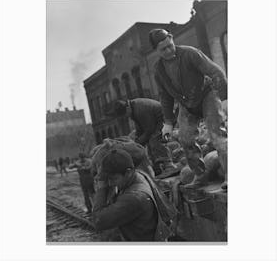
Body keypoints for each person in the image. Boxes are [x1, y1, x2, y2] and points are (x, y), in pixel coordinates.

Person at [149, 28, 227, 190]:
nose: (169, 50)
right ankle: (200, 176)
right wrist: (168, 122)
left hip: (207, 95)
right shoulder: (158, 70)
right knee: (185, 139)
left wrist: (225, 97)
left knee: (217, 136)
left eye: (170, 45)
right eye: (163, 49)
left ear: (171, 38)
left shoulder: (190, 53)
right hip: (186, 104)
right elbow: (165, 97)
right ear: (156, 50)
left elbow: (215, 71)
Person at [92, 149, 177, 241]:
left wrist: (101, 188)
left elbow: (98, 221)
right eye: (107, 180)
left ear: (128, 172)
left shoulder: (133, 198)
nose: (110, 183)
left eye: (113, 179)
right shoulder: (139, 174)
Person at [113, 98, 177, 176]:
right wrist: (137, 140)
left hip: (165, 118)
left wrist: (139, 141)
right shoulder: (133, 108)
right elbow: (140, 128)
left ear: (127, 108)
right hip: (156, 121)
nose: (126, 116)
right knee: (147, 142)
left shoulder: (139, 109)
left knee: (155, 140)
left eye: (125, 114)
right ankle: (158, 167)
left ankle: (169, 165)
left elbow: (150, 129)